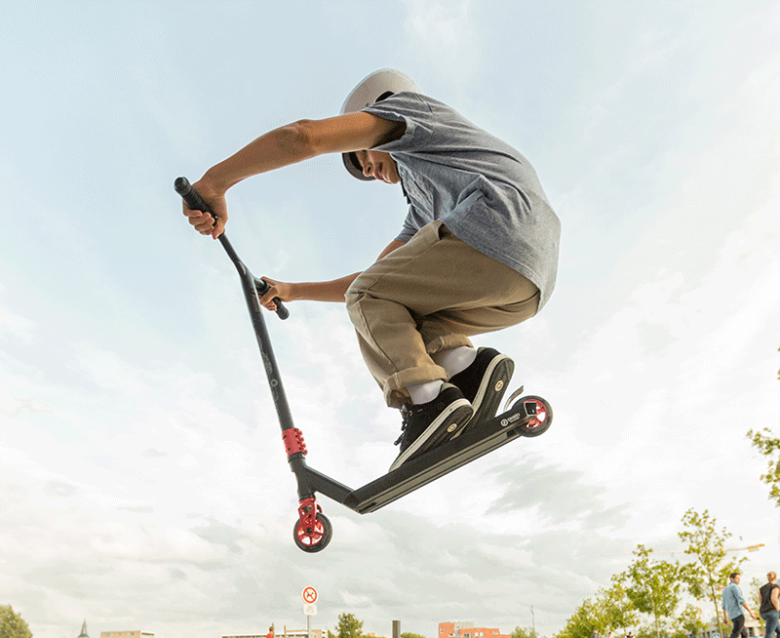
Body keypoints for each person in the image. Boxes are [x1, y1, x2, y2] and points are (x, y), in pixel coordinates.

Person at [182, 69, 560, 471]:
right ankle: (468, 370)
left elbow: (303, 137)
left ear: (376, 113)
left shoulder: (413, 114)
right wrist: (293, 290)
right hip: (527, 279)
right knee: (396, 306)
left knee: (370, 297)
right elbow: (377, 278)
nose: (367, 170)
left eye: (363, 154)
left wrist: (214, 183)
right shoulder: (424, 207)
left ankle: (430, 401)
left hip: (495, 223)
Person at [716, 572, 764, 638]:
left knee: (744, 634)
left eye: (739, 578)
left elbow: (724, 605)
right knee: (735, 634)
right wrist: (751, 613)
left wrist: (725, 617)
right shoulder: (734, 587)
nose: (739, 580)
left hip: (732, 615)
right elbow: (741, 600)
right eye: (737, 578)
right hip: (738, 614)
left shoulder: (725, 590)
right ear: (731, 579)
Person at [759, 570, 780, 638]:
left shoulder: (762, 588)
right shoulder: (775, 587)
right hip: (773, 612)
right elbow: (774, 598)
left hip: (763, 612)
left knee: (779, 631)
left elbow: (760, 600)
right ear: (775, 578)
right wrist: (778, 609)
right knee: (769, 633)